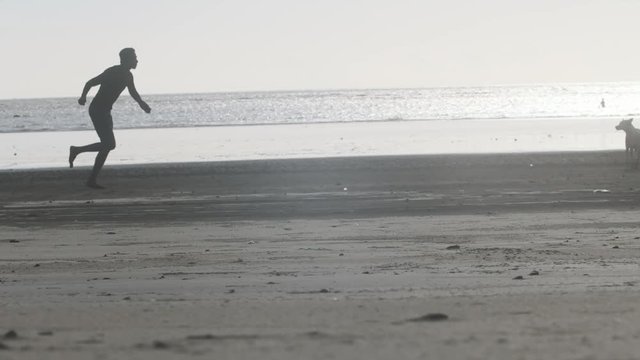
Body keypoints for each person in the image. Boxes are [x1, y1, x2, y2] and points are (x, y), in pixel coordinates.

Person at [69, 48, 151, 189]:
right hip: (97, 110)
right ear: (126, 59)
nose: (137, 60)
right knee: (109, 144)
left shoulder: (128, 76)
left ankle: (91, 180)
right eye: (134, 58)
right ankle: (76, 150)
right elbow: (90, 82)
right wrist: (83, 97)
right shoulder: (113, 71)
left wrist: (142, 104)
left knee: (106, 146)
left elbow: (133, 92)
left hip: (105, 111)